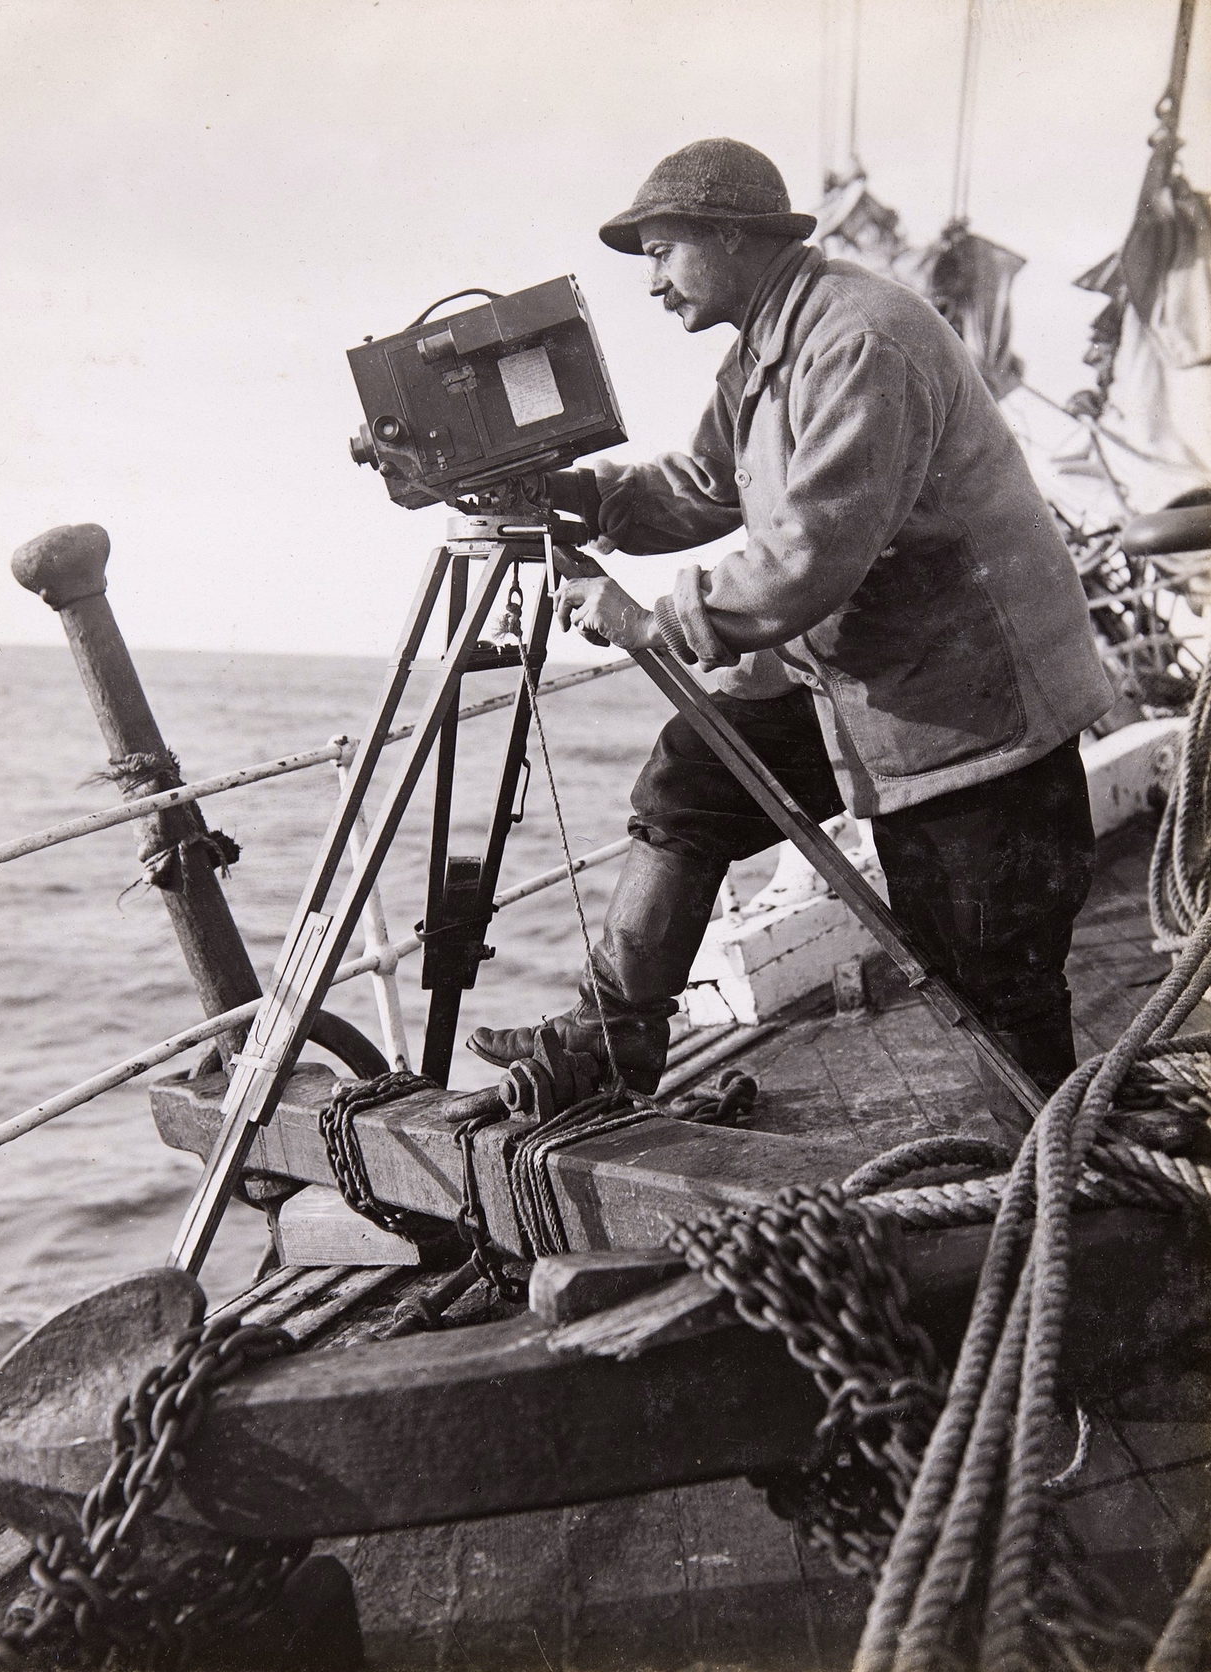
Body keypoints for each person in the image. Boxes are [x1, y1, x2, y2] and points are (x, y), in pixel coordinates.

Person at [468, 138, 1114, 1144]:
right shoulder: (763, 351)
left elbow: (813, 550)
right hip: (853, 680)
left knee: (992, 977)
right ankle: (611, 1041)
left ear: (732, 236)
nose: (649, 282)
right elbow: (696, 487)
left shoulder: (859, 338)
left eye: (662, 251)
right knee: (689, 783)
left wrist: (655, 620)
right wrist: (579, 498)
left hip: (971, 710)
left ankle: (1057, 1186)